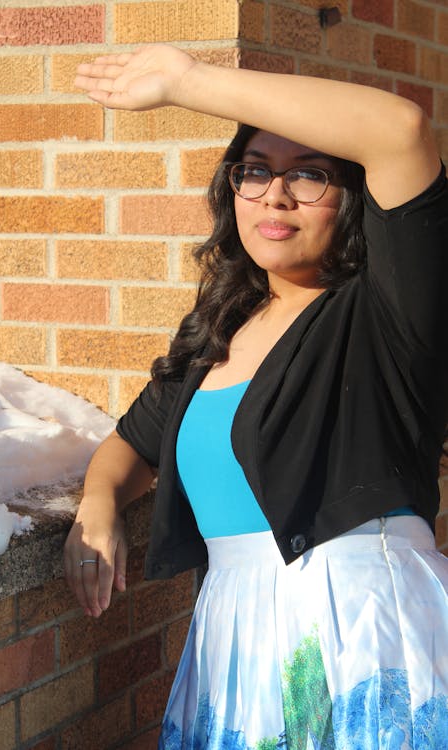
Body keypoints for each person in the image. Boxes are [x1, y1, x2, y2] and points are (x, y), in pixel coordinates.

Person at [64, 44, 448, 748]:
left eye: (310, 174)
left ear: (353, 198)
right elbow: (130, 445)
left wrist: (188, 82)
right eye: (255, 172)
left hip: (357, 637)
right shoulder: (217, 329)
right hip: (232, 645)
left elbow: (401, 130)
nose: (276, 195)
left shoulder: (388, 315)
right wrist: (97, 504)